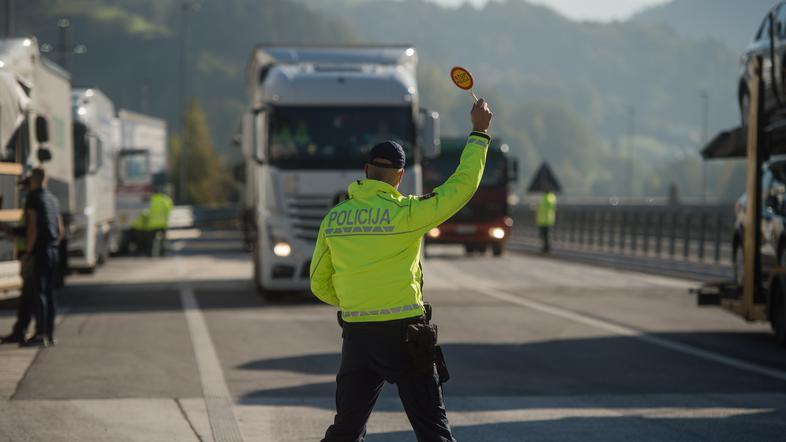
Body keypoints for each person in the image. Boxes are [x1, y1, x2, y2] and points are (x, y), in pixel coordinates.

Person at [310, 99, 493, 442]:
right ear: (399, 177)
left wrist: (357, 298)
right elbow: (460, 187)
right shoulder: (407, 214)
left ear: (365, 172)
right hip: (404, 335)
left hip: (357, 335)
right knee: (432, 431)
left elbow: (319, 283)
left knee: (345, 432)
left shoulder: (334, 218)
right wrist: (479, 133)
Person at [16, 168, 62, 346]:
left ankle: (39, 334)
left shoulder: (33, 198)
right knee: (50, 293)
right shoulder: (53, 199)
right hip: (53, 250)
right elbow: (60, 229)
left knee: (39, 293)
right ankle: (50, 334)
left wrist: (28, 252)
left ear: (34, 180)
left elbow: (32, 229)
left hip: (40, 251)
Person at [0, 176, 38, 345]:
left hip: (29, 255)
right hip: (30, 253)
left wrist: (27, 253)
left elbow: (29, 231)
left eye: (24, 187)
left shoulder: (33, 202)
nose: (21, 191)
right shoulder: (38, 202)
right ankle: (22, 330)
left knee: (30, 296)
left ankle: (23, 330)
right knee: (29, 296)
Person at [130, 188, 173, 256]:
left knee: (150, 241)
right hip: (162, 224)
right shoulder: (165, 200)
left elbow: (145, 212)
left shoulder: (149, 200)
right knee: (163, 240)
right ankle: (162, 252)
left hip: (151, 225)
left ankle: (149, 253)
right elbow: (169, 209)